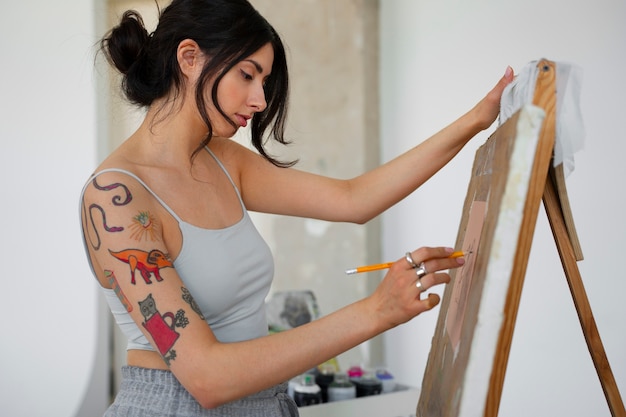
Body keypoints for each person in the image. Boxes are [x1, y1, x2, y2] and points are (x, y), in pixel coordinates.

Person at [79, 0, 514, 415]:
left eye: (263, 83)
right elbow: (207, 377)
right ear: (189, 58)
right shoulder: (114, 198)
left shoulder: (223, 160)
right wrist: (375, 312)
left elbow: (353, 198)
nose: (260, 101)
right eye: (248, 76)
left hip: (266, 403)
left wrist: (476, 120)